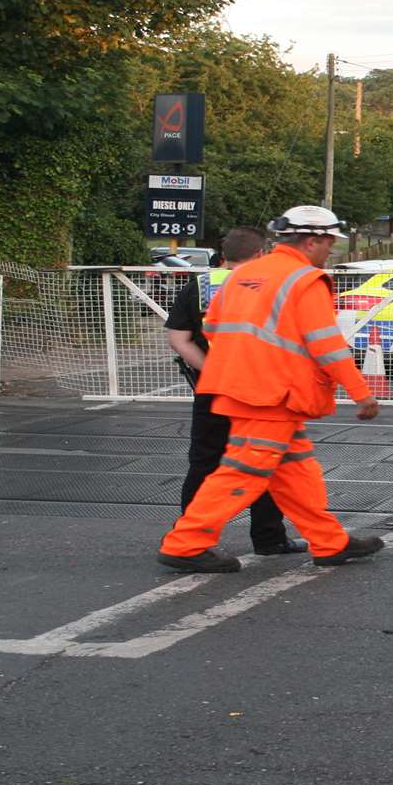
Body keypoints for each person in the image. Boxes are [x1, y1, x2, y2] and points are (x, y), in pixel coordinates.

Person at [157, 206, 385, 573]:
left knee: (296, 469)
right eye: (329, 242)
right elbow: (327, 344)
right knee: (241, 471)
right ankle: (186, 543)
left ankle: (330, 542)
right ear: (312, 241)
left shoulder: (242, 276)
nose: (330, 250)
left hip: (241, 389)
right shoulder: (304, 280)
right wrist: (361, 392)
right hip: (273, 395)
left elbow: (213, 327)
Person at [163, 226, 306, 555]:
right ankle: (269, 538)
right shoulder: (272, 285)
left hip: (212, 388)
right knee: (266, 461)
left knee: (204, 464)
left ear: (223, 256)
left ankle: (192, 537)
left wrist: (213, 370)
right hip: (262, 390)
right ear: (260, 254)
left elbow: (178, 337)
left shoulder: (199, 285)